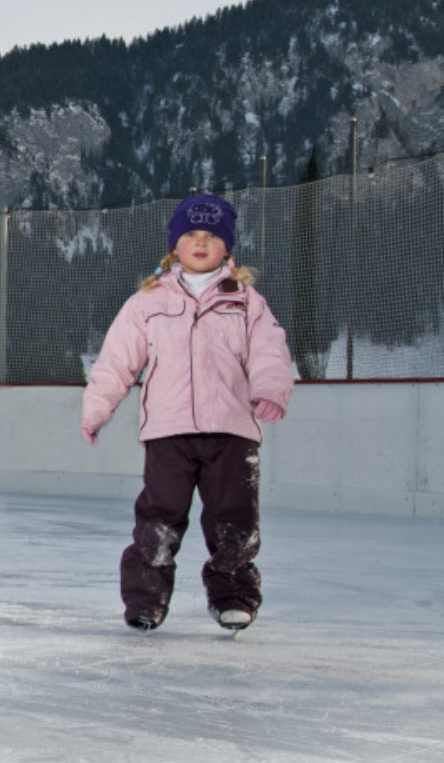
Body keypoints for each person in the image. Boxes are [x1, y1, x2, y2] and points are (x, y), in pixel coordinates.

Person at [82, 194, 295, 633]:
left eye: (212, 236)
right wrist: (96, 410)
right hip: (168, 431)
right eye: (191, 235)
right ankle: (146, 601)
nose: (201, 243)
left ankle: (233, 597)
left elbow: (270, 351)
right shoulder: (147, 301)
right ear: (175, 245)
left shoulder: (247, 301)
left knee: (234, 519)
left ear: (228, 248)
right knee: (159, 518)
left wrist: (271, 389)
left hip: (232, 430)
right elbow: (116, 361)